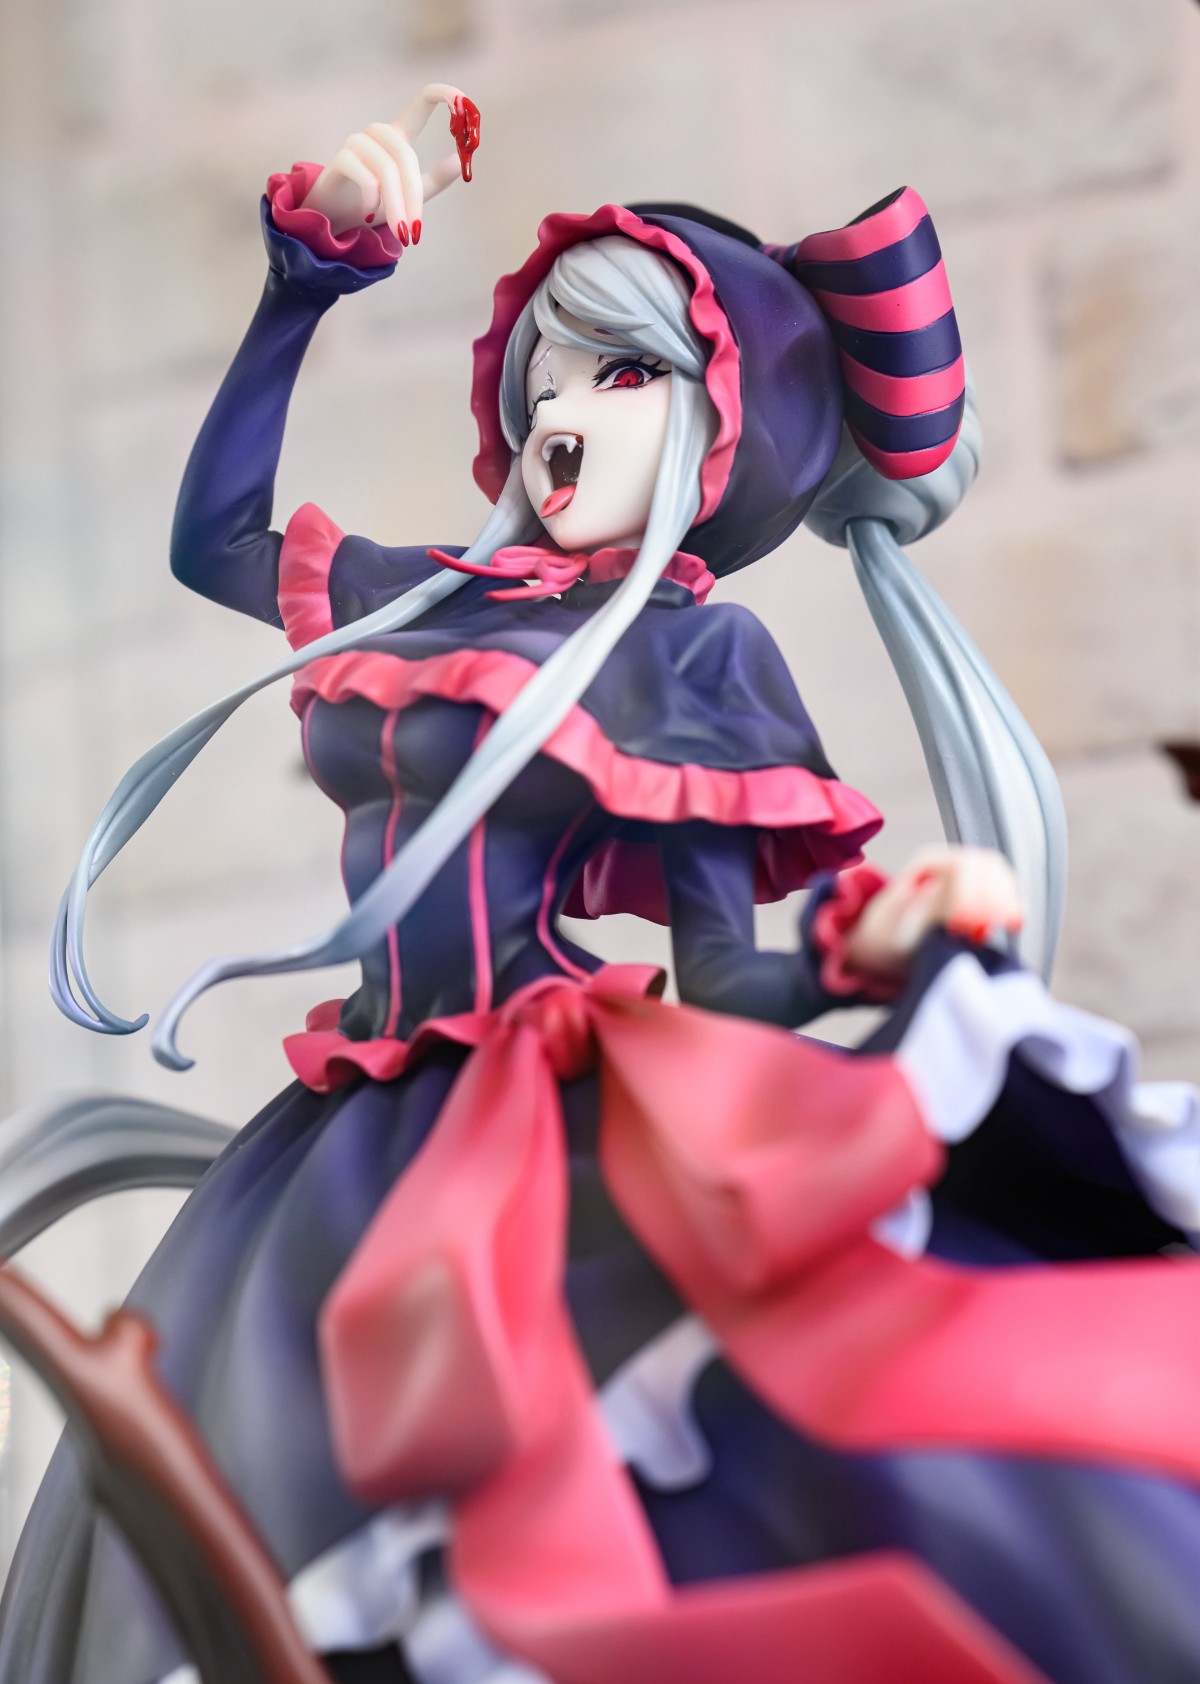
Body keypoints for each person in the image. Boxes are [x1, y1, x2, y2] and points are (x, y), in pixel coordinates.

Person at [4, 82, 1200, 1684]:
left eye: (624, 371)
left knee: (570, 1497)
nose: (562, 410)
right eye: (546, 374)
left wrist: (871, 954)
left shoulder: (698, 655)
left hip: (534, 1129)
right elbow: (214, 540)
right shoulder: (422, 601)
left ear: (717, 424)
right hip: (332, 1142)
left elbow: (732, 981)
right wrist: (306, 286)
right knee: (212, 1510)